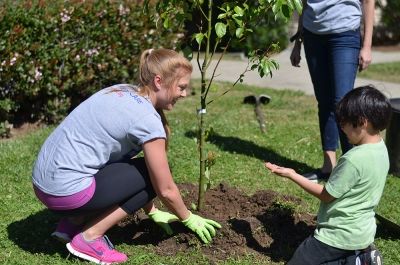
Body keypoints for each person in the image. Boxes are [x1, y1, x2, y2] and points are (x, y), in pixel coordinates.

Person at [32, 48, 221, 264]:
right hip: (66, 193)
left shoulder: (121, 90)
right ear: (159, 81)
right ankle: (89, 238)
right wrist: (187, 217)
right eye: (181, 87)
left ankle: (72, 222)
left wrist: (152, 210)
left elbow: (119, 166)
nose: (184, 94)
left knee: (142, 170)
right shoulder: (148, 121)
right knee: (156, 175)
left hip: (43, 185)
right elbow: (165, 189)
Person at [265, 85, 391, 265]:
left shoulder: (353, 159)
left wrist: (292, 174)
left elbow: (326, 195)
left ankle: (358, 259)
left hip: (336, 235)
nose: (342, 127)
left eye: (345, 122)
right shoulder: (381, 148)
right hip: (362, 234)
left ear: (362, 122)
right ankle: (360, 259)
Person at [290, 0, 375, 181]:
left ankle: (353, 168)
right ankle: (329, 166)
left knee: (342, 103)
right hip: (312, 36)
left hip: (344, 34)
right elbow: (304, 4)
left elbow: (368, 2)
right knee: (325, 102)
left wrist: (367, 46)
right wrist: (298, 40)